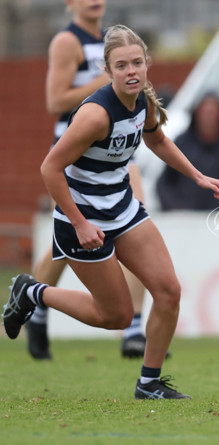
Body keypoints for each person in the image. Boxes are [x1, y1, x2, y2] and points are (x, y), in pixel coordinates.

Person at [2, 24, 219, 399]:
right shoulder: (94, 115)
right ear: (107, 72)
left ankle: (149, 384)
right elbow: (49, 169)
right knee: (117, 317)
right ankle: (33, 293)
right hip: (81, 220)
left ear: (147, 64)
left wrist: (197, 175)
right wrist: (79, 222)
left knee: (169, 291)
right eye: (121, 66)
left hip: (123, 210)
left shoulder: (145, 102)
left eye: (137, 63)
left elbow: (157, 139)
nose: (131, 71)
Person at [27, 0, 149, 360]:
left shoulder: (114, 38)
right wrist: (107, 81)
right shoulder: (68, 42)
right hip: (77, 155)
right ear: (69, 3)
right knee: (66, 243)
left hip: (119, 147)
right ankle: (36, 306)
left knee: (137, 223)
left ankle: (135, 328)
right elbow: (55, 101)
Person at [156, 91, 219, 210]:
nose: (209, 117)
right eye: (205, 112)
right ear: (196, 114)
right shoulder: (182, 143)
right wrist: (175, 207)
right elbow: (165, 182)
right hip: (186, 218)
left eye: (213, 113)